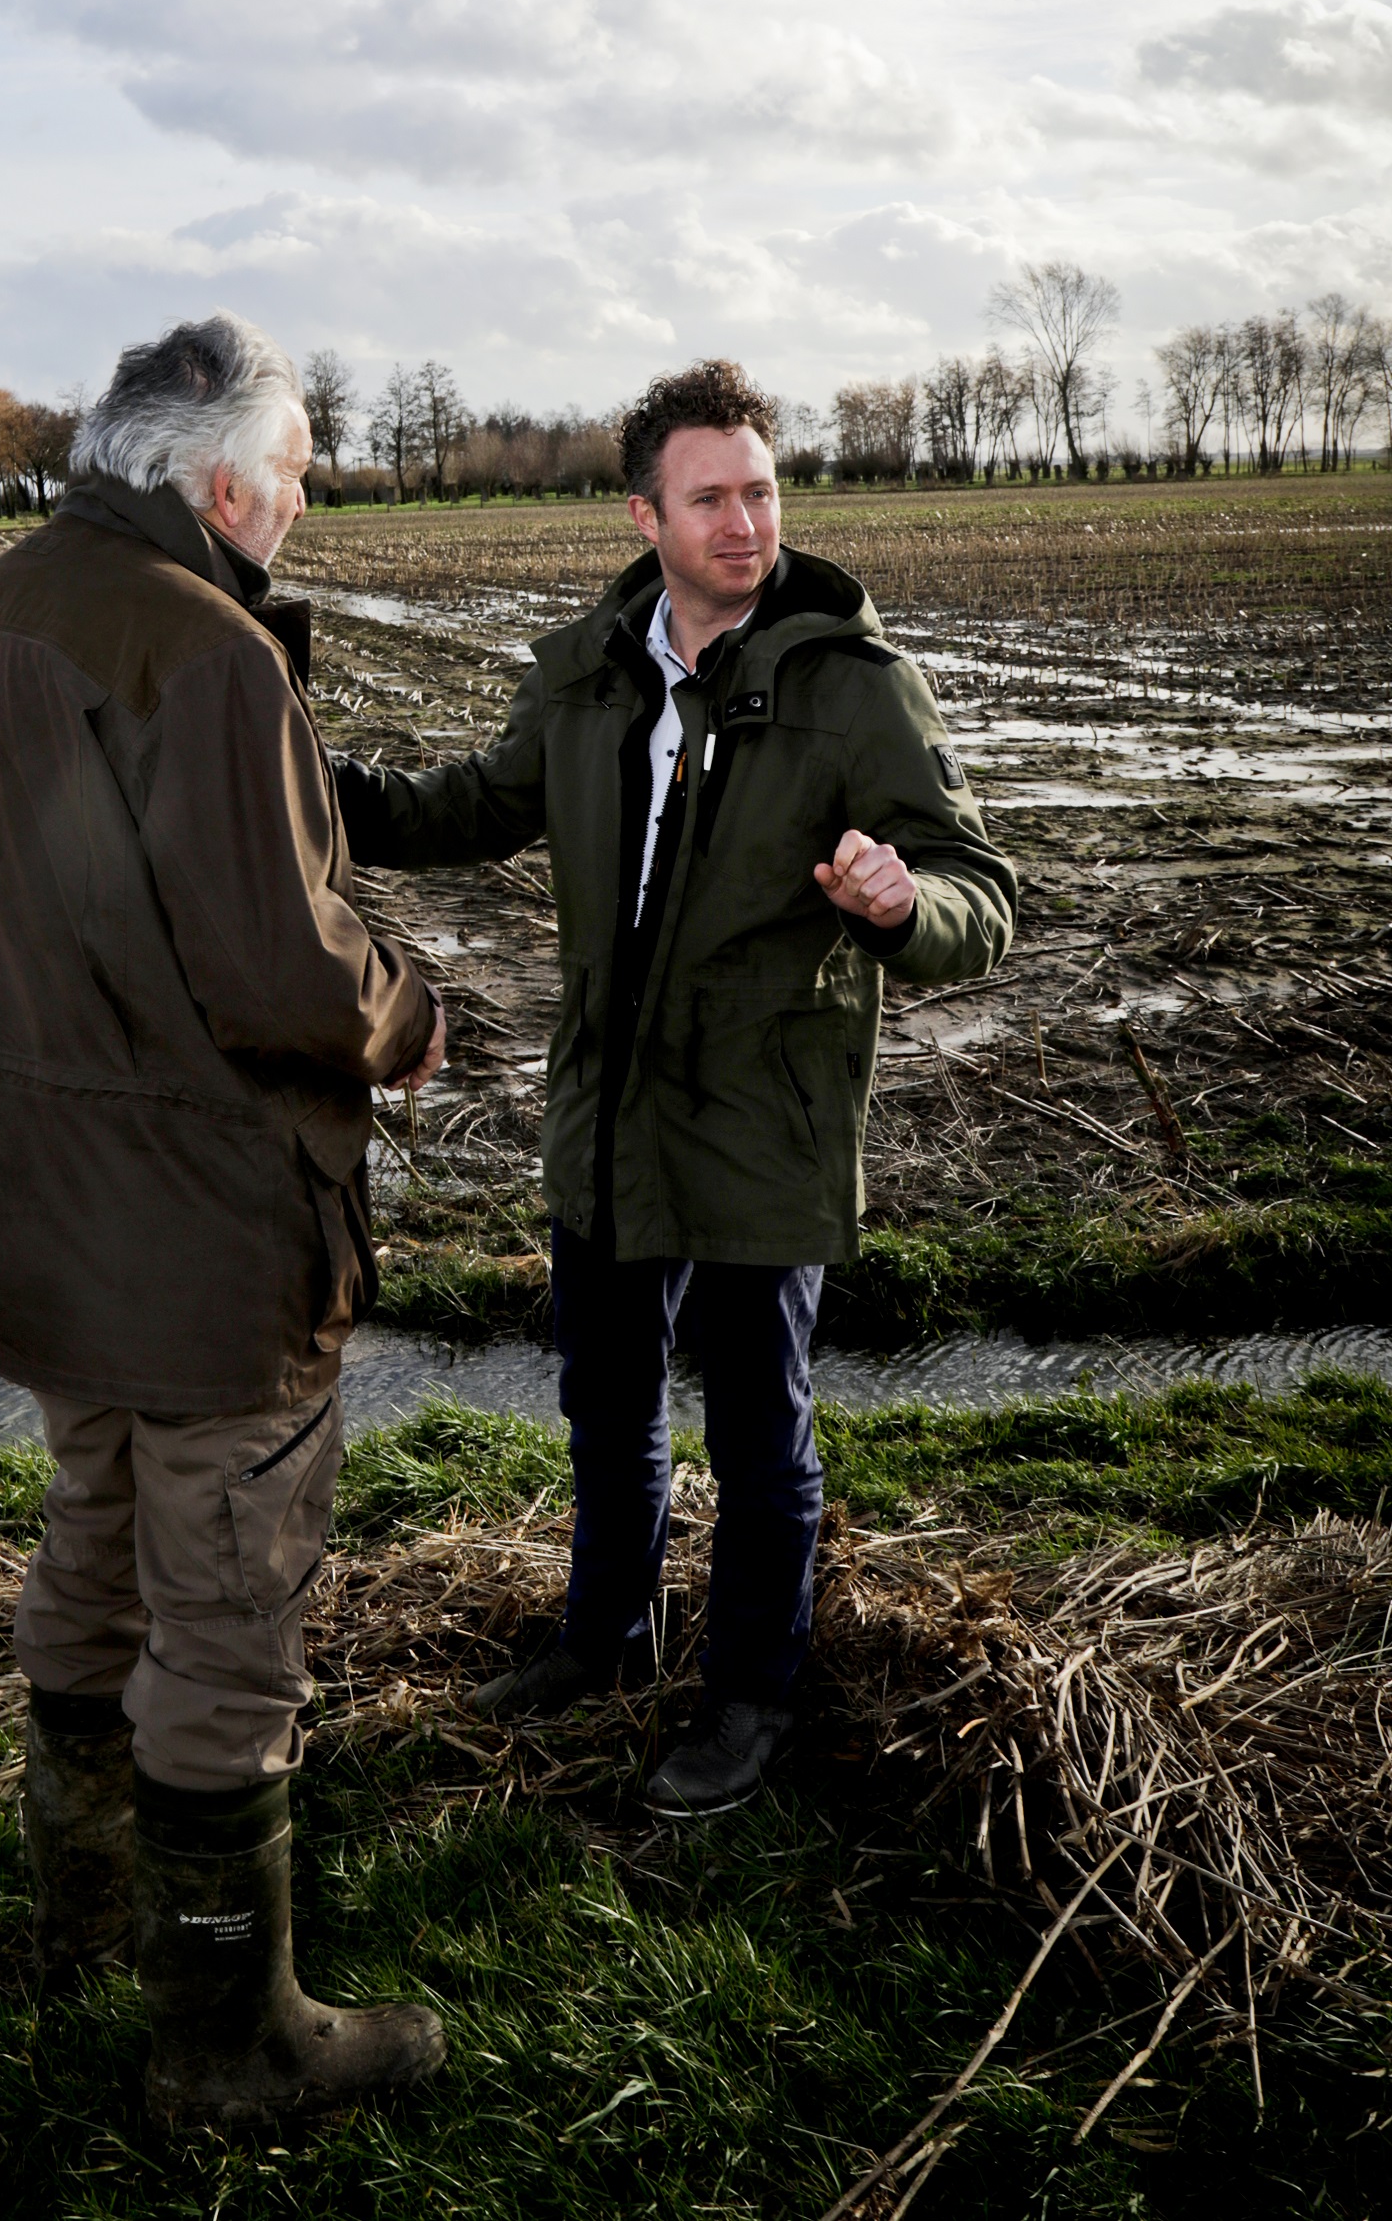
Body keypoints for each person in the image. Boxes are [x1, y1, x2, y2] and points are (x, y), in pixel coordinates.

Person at [0, 312, 449, 2124]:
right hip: (200, 1233)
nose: (305, 498)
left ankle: (87, 1910)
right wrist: (412, 1009)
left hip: (31, 1211)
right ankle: (228, 2039)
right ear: (218, 481)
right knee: (226, 1609)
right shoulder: (204, 654)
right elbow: (282, 968)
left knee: (94, 1539)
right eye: (294, 472)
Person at [330, 360, 1016, 1815]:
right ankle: (604, 1635)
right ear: (646, 512)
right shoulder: (587, 673)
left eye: (761, 491)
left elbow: (981, 889)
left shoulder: (850, 687)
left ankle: (753, 1697)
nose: (746, 522)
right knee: (607, 1395)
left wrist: (904, 907)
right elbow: (475, 804)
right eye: (711, 497)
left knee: (761, 1427)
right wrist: (309, 784)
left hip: (767, 1111)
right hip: (607, 1101)